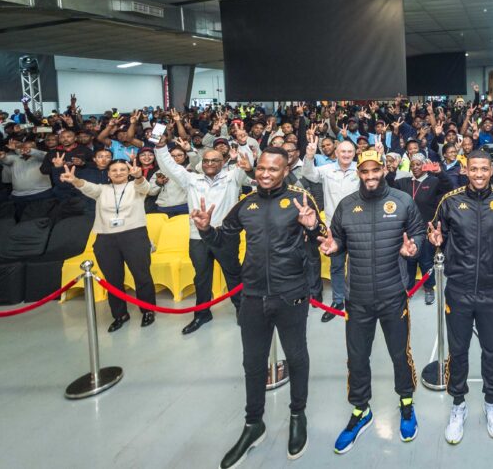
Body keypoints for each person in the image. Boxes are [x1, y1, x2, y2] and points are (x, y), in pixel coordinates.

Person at [192, 147, 323, 468]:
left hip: (290, 294)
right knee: (252, 363)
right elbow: (224, 242)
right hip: (252, 296)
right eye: (261, 168)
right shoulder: (246, 204)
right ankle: (254, 424)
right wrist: (207, 230)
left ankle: (297, 416)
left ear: (286, 170)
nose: (265, 174)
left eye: (273, 169)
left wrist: (311, 227)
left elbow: (321, 240)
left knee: (297, 357)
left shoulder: (300, 200)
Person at [317, 149, 427, 453]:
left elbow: (418, 232)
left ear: (383, 170)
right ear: (358, 173)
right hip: (358, 298)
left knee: (399, 355)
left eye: (375, 170)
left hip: (393, 294)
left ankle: (406, 403)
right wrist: (334, 246)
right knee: (357, 358)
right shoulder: (347, 205)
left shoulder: (402, 201)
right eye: (364, 171)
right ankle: (361, 410)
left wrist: (414, 247)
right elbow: (338, 240)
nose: (370, 176)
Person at [427, 149, 493, 445]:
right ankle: (458, 404)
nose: (479, 174)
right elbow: (436, 233)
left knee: (491, 350)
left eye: (484, 169)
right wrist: (436, 241)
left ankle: (492, 401)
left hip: (492, 290)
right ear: (465, 170)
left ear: (491, 171)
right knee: (458, 351)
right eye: (474, 169)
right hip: (459, 289)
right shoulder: (450, 201)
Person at [154, 137, 250, 334]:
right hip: (198, 237)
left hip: (225, 236)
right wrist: (161, 146)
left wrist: (243, 144)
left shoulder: (232, 177)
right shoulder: (191, 179)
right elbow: (169, 167)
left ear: (223, 162)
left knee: (233, 274)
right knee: (201, 277)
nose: (209, 164)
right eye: (206, 160)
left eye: (214, 160)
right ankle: (202, 313)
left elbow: (246, 163)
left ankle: (243, 310)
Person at [59, 156, 156, 332]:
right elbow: (86, 186)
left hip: (134, 235)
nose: (118, 173)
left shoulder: (135, 186)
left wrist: (139, 176)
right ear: (108, 174)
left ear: (129, 172)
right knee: (112, 280)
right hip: (106, 239)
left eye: (122, 170)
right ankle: (120, 315)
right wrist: (74, 180)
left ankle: (148, 310)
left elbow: (145, 187)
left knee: (142, 276)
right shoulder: (102, 190)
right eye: (114, 170)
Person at [301, 137, 360, 321]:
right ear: (336, 153)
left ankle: (357, 300)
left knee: (358, 265)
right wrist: (309, 156)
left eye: (350, 152)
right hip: (334, 228)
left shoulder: (360, 169)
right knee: (336, 266)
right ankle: (338, 300)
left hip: (358, 225)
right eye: (343, 151)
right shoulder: (327, 170)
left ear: (354, 153)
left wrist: (380, 156)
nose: (346, 155)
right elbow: (309, 174)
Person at [387, 153, 456, 305]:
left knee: (426, 261)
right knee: (409, 261)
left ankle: (429, 288)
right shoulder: (404, 182)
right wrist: (392, 170)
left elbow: (449, 187)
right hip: (408, 230)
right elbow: (388, 186)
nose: (415, 167)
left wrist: (439, 172)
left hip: (426, 229)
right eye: (412, 165)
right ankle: (409, 288)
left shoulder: (433, 181)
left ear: (424, 165)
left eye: (418, 164)